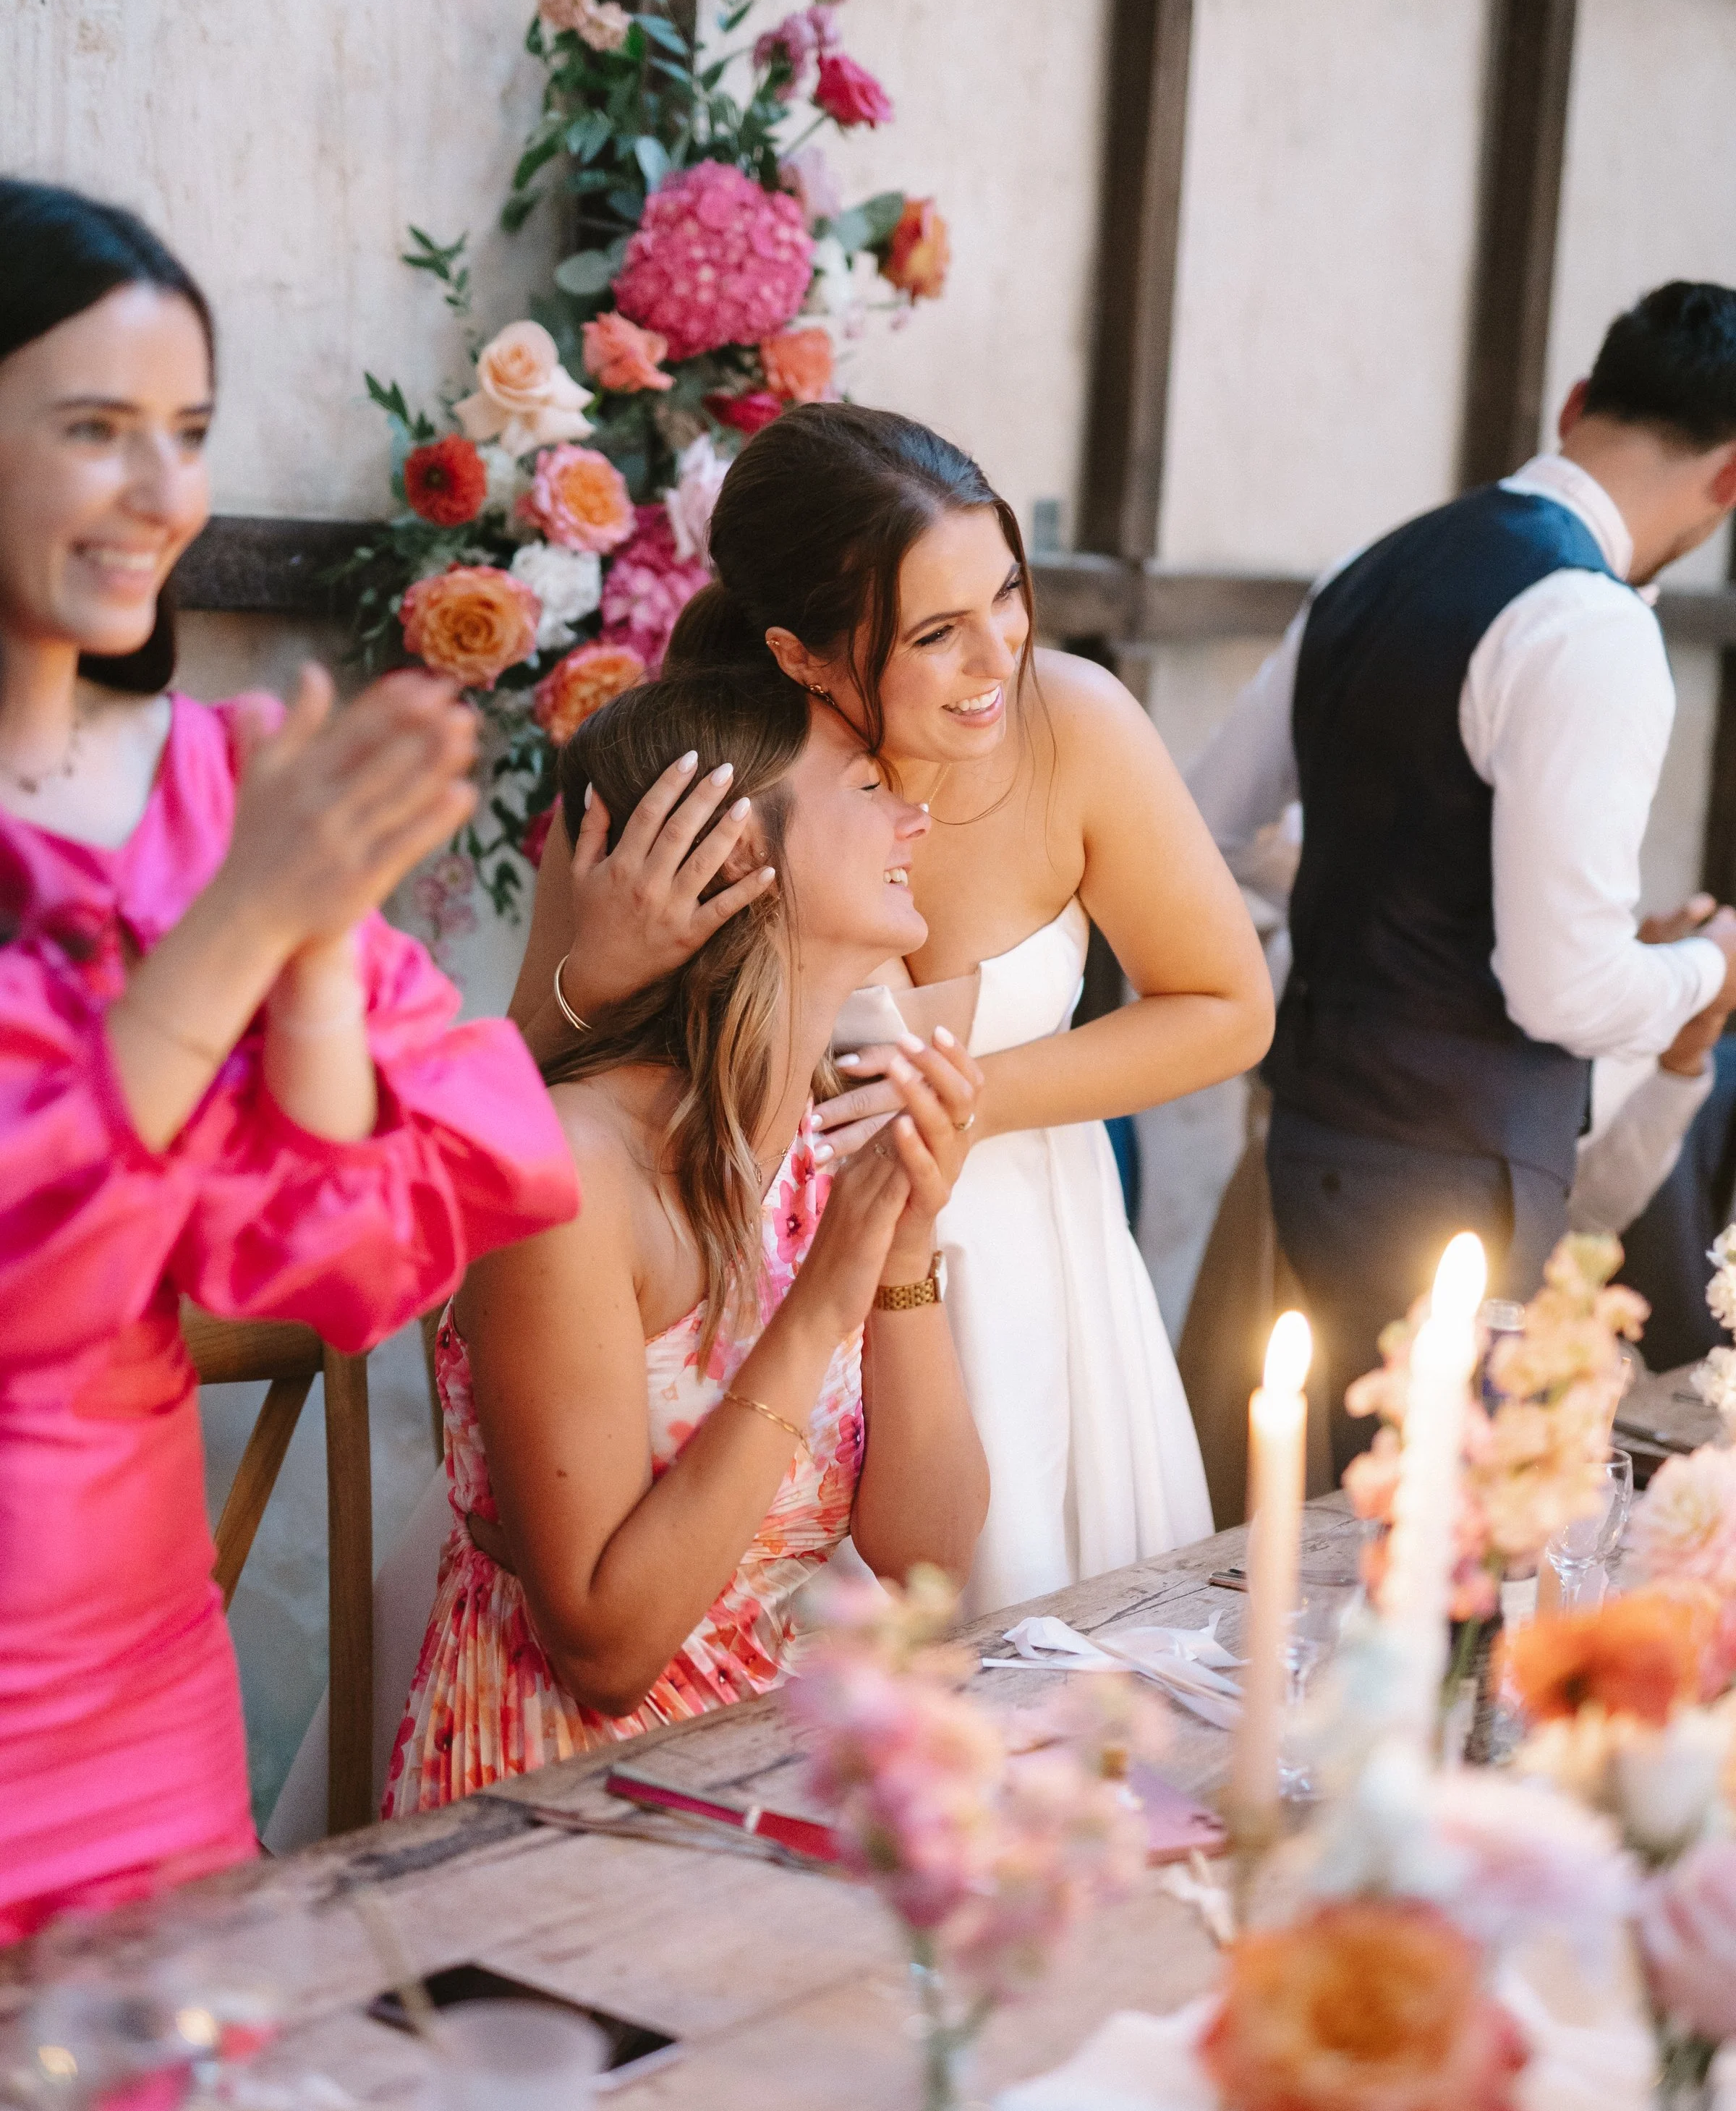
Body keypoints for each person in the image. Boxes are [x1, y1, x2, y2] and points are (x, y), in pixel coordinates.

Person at [0, 180, 578, 1940]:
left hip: (139, 1695)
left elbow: (330, 1269)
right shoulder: (232, 850)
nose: (167, 498)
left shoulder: (214, 787)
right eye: (99, 431)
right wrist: (250, 921)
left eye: (189, 435)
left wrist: (319, 945)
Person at [507, 407, 1269, 1616]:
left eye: (1008, 597)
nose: (998, 659)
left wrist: (943, 1119)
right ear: (804, 653)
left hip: (1028, 1288)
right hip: (743, 1310)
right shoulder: (693, 774)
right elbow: (524, 1119)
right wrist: (594, 975)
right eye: (937, 634)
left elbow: (1228, 1006)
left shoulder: (1073, 728)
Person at [383, 671, 987, 1811]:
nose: (916, 811)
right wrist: (821, 1305)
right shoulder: (573, 1168)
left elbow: (930, 1560)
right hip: (559, 1799)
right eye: (867, 784)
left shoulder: (822, 1133)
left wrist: (901, 1255)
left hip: (767, 1758)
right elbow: (605, 1655)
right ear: (736, 855)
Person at [1187, 281, 1736, 1471]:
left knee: (1326, 1535)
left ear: (1577, 402)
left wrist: (1397, 891)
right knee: (1439, 1574)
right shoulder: (1596, 626)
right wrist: (1703, 968)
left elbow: (1208, 837)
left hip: (1315, 1139)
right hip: (1457, 1184)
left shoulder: (1369, 569)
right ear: (1731, 480)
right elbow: (1563, 995)